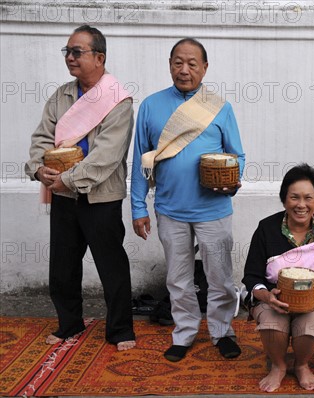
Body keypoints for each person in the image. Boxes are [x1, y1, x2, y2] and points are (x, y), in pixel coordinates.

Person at [131, 38, 245, 362]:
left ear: (205, 68)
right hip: (170, 209)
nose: (184, 70)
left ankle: (223, 331)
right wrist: (138, 207)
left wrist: (232, 183)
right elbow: (142, 159)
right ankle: (184, 332)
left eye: (192, 63)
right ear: (169, 65)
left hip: (213, 208)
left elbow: (238, 155)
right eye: (178, 62)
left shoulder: (220, 107)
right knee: (178, 279)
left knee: (220, 276)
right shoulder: (150, 106)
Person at [25, 25, 136, 351]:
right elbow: (41, 139)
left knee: (111, 265)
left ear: (99, 57)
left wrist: (68, 178)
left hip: (100, 196)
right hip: (62, 194)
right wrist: (38, 170)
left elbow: (107, 155)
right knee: (62, 265)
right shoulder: (61, 95)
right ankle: (68, 323)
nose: (70, 58)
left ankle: (119, 330)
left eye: (77, 52)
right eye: (67, 52)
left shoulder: (118, 100)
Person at [242, 164, 314, 392]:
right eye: (294, 197)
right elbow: (251, 276)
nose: (301, 205)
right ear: (284, 200)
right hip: (273, 298)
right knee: (272, 323)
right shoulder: (266, 229)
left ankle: (301, 365)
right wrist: (267, 297)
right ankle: (279, 366)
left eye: (308, 198)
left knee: (309, 325)